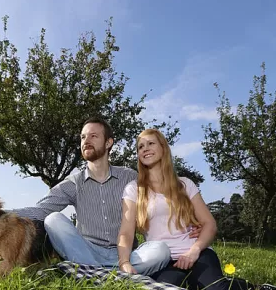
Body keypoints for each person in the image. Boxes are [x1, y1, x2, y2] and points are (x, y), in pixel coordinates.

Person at [14, 116, 198, 275]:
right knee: (53, 219)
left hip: (126, 254)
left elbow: (162, 199)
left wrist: (190, 224)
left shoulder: (129, 177)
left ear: (108, 143)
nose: (86, 141)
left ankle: (95, 274)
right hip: (87, 252)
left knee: (160, 251)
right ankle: (110, 274)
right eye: (83, 137)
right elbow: (41, 209)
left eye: (93, 136)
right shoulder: (73, 182)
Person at [117, 128, 257, 290]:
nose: (145, 148)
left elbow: (209, 223)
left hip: (195, 253)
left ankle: (254, 288)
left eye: (151, 143)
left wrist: (194, 251)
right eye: (140, 147)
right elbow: (126, 232)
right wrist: (124, 262)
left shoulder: (185, 184)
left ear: (163, 148)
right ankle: (197, 284)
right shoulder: (133, 189)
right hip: (164, 261)